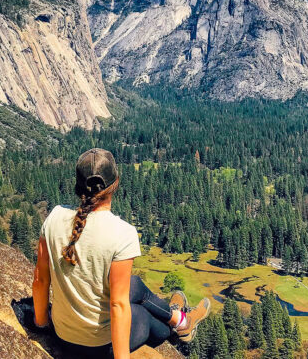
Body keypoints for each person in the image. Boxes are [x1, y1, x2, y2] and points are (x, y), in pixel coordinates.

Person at [32, 148, 210, 358]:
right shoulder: (122, 233)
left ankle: (178, 318)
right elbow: (118, 305)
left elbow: (41, 280)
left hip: (63, 332)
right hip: (97, 346)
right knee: (149, 320)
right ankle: (178, 326)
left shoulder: (55, 216)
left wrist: (42, 323)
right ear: (115, 183)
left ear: (78, 185)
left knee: (134, 284)